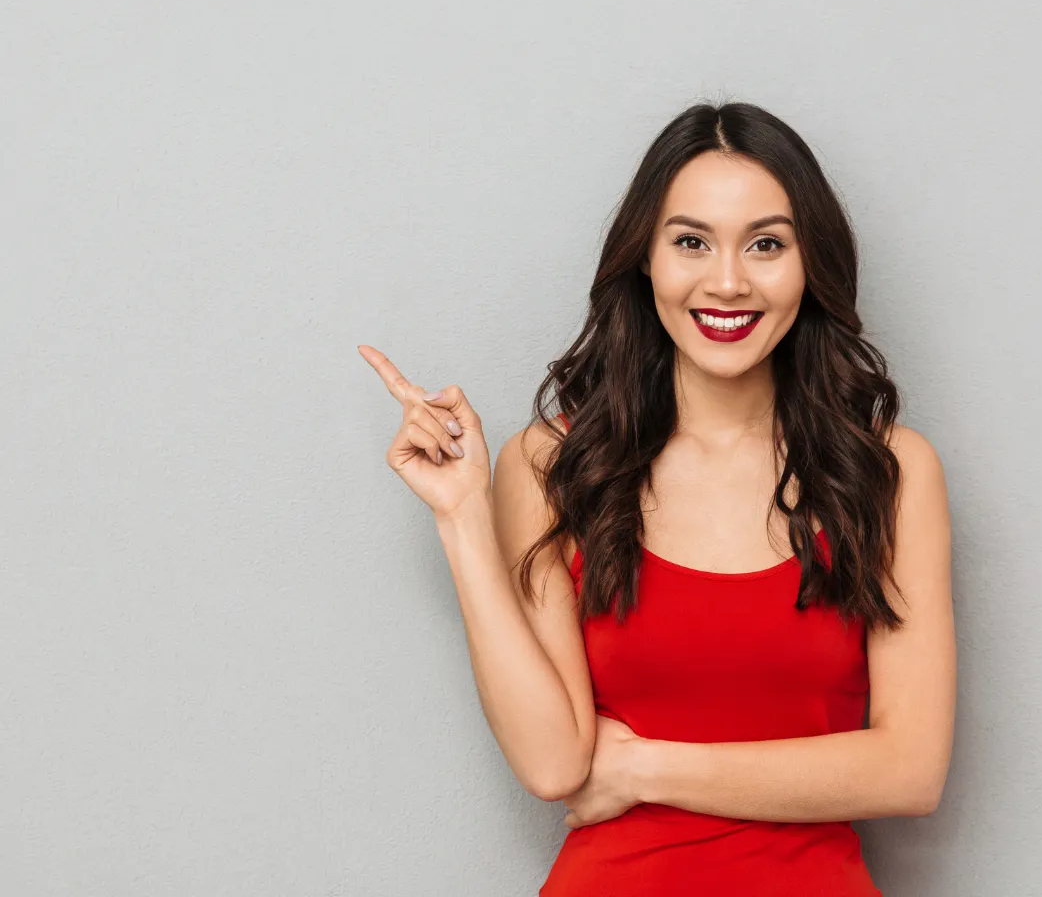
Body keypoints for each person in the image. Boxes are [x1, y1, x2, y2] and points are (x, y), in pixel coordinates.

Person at [359, 100, 956, 896]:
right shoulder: (550, 465)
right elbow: (552, 762)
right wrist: (463, 515)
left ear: (810, 264)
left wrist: (644, 765)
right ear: (646, 257)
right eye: (691, 242)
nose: (728, 281)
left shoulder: (889, 472)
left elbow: (909, 771)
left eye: (767, 244)